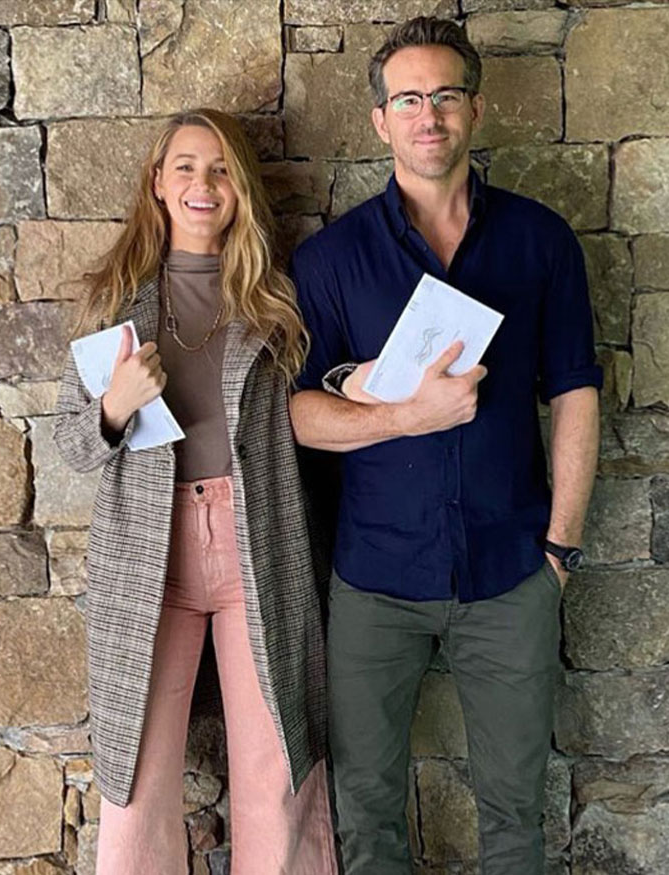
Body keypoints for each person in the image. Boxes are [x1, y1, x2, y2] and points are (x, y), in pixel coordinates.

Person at [289, 17, 601, 875]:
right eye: (410, 98)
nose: (430, 115)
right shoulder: (330, 260)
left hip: (512, 574)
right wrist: (402, 416)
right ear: (381, 120)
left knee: (514, 812)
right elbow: (297, 413)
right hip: (375, 583)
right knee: (369, 813)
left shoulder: (542, 241)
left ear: (476, 109)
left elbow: (575, 391)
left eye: (447, 95)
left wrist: (560, 546)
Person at [53, 109, 338, 875]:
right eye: (184, 166)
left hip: (260, 548)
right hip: (150, 559)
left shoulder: (278, 302)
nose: (201, 184)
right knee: (135, 782)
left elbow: (319, 418)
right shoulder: (115, 302)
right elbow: (69, 444)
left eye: (219, 169)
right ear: (157, 183)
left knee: (278, 767)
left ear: (240, 189)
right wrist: (113, 404)